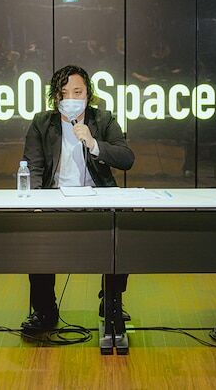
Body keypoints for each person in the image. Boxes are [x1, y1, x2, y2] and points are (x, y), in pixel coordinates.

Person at [20, 65, 135, 332]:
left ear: (88, 94)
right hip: (54, 199)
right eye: (63, 93)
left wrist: (94, 144)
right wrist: (36, 203)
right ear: (55, 97)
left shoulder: (103, 119)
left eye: (77, 92)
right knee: (38, 236)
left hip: (97, 198)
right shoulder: (42, 122)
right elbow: (33, 166)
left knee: (122, 226)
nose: (70, 98)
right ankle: (45, 311)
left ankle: (111, 301)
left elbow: (127, 158)